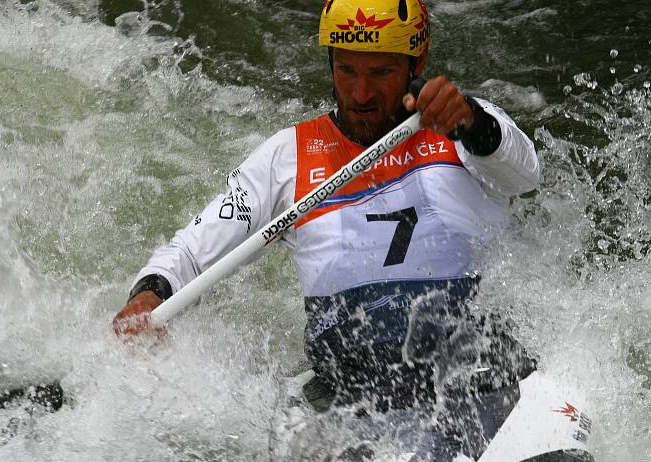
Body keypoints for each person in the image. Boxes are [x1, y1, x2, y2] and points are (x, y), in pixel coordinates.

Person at [113, 0, 540, 423]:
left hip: (475, 365)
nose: (361, 94)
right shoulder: (288, 155)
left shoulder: (465, 126)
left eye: (381, 73)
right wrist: (149, 294)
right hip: (349, 388)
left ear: (417, 61)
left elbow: (525, 175)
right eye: (346, 71)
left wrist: (471, 121)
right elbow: (191, 252)